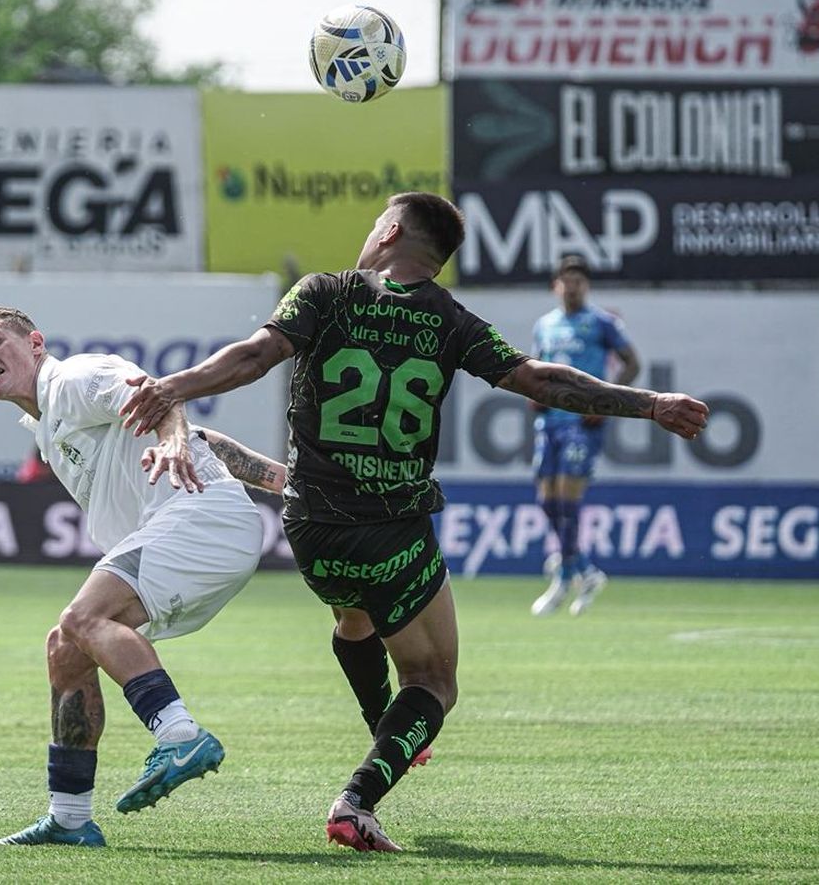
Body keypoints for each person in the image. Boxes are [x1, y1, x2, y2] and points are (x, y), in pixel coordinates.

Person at [118, 192, 709, 853]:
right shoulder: (450, 319)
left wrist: (173, 387)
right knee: (433, 683)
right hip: (391, 527)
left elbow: (256, 356)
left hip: (310, 527)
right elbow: (541, 381)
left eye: (376, 222)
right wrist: (649, 403)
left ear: (391, 230)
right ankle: (358, 800)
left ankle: (386, 725)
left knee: (355, 621)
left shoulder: (324, 292)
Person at [0, 305, 270, 848]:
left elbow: (158, 396)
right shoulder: (46, 423)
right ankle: (69, 818)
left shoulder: (74, 379)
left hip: (200, 519)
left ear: (35, 343)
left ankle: (179, 734)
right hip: (193, 529)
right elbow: (203, 439)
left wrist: (172, 440)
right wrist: (282, 480)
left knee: (83, 618)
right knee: (65, 648)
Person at [529, 255, 641, 617]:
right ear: (555, 286)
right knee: (547, 500)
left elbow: (632, 363)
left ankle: (563, 577)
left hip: (581, 422)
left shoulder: (601, 323)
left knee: (567, 497)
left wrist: (607, 401)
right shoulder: (545, 325)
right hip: (550, 423)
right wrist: (534, 393)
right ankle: (584, 569)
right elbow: (537, 366)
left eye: (579, 281)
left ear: (586, 286)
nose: (573, 287)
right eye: (567, 280)